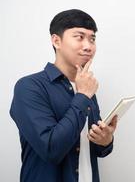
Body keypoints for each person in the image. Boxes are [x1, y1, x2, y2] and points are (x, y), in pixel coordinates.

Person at [10, 9, 118, 182]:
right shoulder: (29, 87)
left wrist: (105, 140)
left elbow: (92, 149)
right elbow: (51, 149)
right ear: (56, 41)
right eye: (79, 37)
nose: (88, 46)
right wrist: (82, 96)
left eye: (92, 39)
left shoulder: (86, 86)